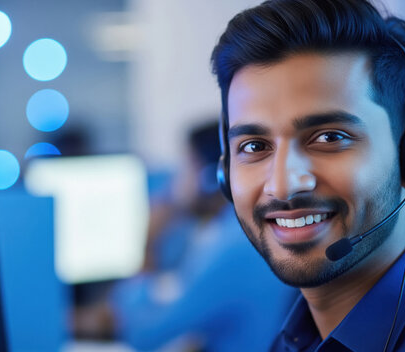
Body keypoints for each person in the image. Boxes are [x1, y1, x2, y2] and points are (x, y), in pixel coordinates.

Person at [210, 0, 405, 351]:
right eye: (254, 146)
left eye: (330, 137)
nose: (284, 185)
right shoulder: (294, 339)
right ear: (225, 173)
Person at [109, 121, 298, 351]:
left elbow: (144, 335)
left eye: (184, 167)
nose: (174, 182)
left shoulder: (235, 246)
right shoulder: (247, 230)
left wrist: (149, 244)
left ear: (209, 177)